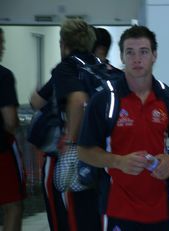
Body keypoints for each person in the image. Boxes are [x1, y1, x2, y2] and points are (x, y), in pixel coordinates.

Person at [77, 25, 169, 231]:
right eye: (130, 52)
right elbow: (84, 151)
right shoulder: (105, 99)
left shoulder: (168, 97)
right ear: (122, 56)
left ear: (154, 55)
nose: (136, 58)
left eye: (144, 52)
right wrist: (118, 161)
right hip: (117, 207)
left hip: (159, 208)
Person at [29, 18, 101, 231]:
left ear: (63, 43)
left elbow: (75, 100)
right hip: (97, 156)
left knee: (65, 215)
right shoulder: (99, 67)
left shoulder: (66, 68)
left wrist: (70, 142)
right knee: (90, 216)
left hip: (68, 156)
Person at [0, 27, 26, 231]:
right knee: (13, 205)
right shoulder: (3, 76)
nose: (3, 48)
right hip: (1, 150)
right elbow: (10, 120)